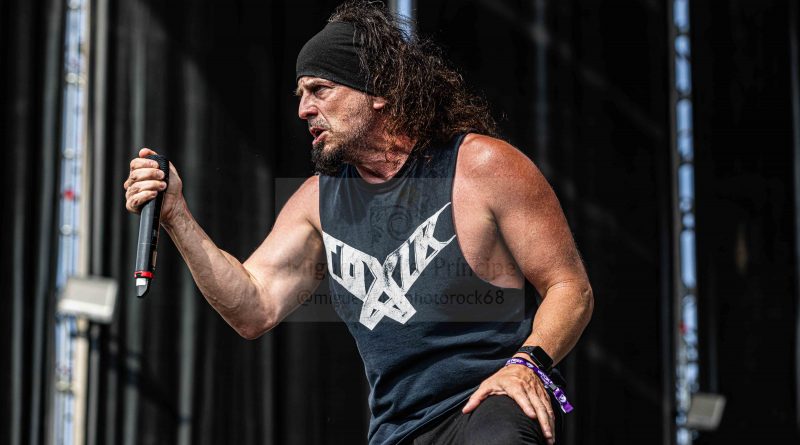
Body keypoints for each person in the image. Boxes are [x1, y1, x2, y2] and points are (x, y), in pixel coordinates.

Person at [123, 2, 593, 444]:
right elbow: (253, 307)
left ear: (379, 92)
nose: (304, 109)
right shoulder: (316, 200)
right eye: (301, 94)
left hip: (488, 399)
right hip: (397, 428)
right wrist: (177, 216)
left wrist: (527, 363)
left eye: (319, 90)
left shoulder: (481, 165)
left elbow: (570, 287)